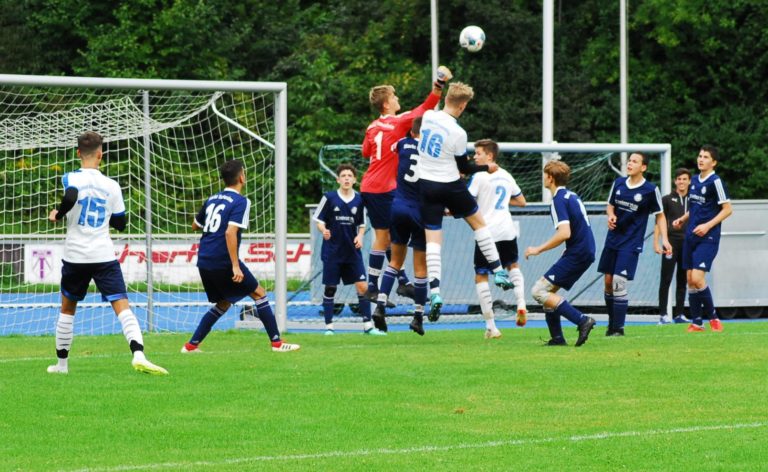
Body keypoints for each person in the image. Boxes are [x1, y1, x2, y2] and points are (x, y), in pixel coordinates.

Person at [47, 131, 167, 375]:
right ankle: (139, 354)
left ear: (78, 153)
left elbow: (70, 196)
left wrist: (58, 214)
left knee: (68, 309)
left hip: (75, 256)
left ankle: (61, 365)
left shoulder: (70, 177)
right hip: (103, 255)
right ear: (101, 154)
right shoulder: (112, 186)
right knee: (122, 306)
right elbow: (121, 223)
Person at [417, 82, 514, 321]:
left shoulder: (428, 116)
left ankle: (436, 291)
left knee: (433, 239)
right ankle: (499, 270)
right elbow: (465, 167)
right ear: (462, 105)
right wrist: (487, 166)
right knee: (479, 224)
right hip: (449, 185)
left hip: (425, 185)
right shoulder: (458, 133)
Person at [182, 160, 300, 353]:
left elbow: (195, 225)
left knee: (224, 302)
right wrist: (235, 266)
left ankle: (190, 346)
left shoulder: (212, 199)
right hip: (223, 259)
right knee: (259, 293)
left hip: (204, 258)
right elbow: (230, 233)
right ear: (241, 177)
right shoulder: (241, 201)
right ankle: (277, 343)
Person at [361, 65, 453, 303]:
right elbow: (424, 109)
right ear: (386, 104)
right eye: (394, 96)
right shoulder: (399, 122)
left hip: (372, 185)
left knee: (393, 235)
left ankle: (402, 282)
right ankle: (371, 286)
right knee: (383, 237)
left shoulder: (372, 126)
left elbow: (365, 152)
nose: (397, 98)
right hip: (382, 187)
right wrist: (439, 86)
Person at [524, 160, 597, 347]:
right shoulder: (571, 195)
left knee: (538, 291)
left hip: (578, 252)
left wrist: (538, 249)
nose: (543, 178)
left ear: (550, 178)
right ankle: (557, 338)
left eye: (544, 175)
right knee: (549, 292)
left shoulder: (557, 200)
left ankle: (582, 320)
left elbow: (565, 232)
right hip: (583, 249)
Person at [598, 152, 672, 336]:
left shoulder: (649, 190)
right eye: (629, 160)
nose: (630, 163)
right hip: (613, 239)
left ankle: (619, 329)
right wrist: (611, 215)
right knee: (608, 282)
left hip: (631, 243)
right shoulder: (618, 183)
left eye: (634, 161)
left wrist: (665, 239)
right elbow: (610, 205)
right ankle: (611, 323)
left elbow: (660, 216)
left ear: (643, 167)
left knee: (618, 282)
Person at [372, 118, 429, 335]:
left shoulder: (402, 144)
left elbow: (393, 146)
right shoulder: (433, 153)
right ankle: (418, 317)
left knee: (395, 261)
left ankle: (380, 305)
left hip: (398, 207)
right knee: (421, 269)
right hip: (420, 211)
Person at [313, 164, 386, 336]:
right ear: (338, 179)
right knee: (330, 288)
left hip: (353, 252)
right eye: (343, 175)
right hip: (332, 251)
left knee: (362, 287)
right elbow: (318, 220)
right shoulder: (329, 198)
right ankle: (329, 327)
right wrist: (323, 230)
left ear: (354, 180)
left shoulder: (360, 200)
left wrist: (360, 236)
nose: (346, 178)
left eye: (349, 175)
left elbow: (361, 224)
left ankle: (368, 326)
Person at [467, 139, 528, 339]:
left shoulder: (479, 176)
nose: (474, 157)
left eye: (478, 153)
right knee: (513, 265)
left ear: (490, 156)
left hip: (487, 233)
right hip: (507, 230)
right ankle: (521, 303)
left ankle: (491, 326)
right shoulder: (506, 175)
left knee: (481, 275)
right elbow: (521, 201)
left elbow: (465, 202)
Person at [675, 145, 732, 333]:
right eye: (699, 156)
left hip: (708, 237)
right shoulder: (694, 182)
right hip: (691, 236)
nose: (701, 159)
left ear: (713, 162)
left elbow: (727, 209)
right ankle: (697, 322)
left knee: (698, 278)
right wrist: (682, 219)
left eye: (705, 157)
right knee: (690, 279)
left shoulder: (715, 182)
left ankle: (714, 318)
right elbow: (696, 208)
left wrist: (707, 225)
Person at [654, 168, 692, 324]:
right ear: (675, 181)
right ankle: (663, 314)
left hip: (688, 243)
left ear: (689, 181)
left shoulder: (694, 200)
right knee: (666, 278)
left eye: (684, 179)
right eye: (679, 179)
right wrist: (657, 242)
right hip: (671, 243)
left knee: (683, 279)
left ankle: (680, 314)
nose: (681, 182)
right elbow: (658, 222)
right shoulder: (667, 199)